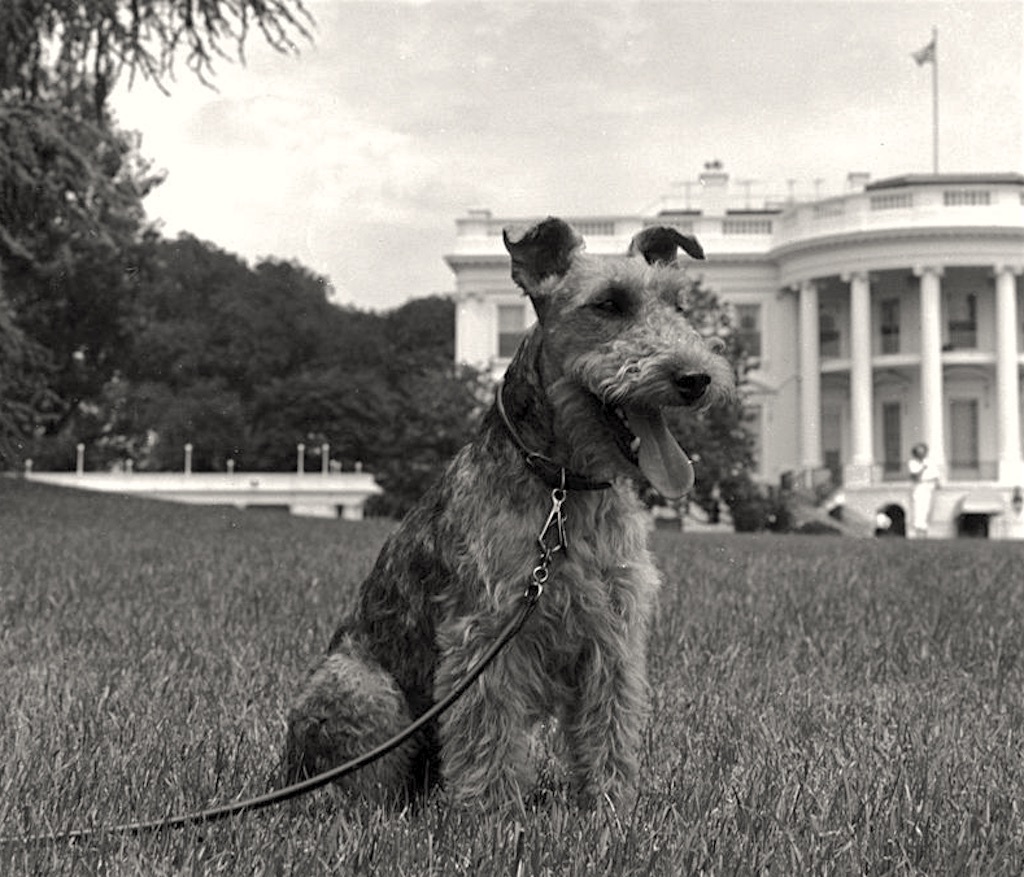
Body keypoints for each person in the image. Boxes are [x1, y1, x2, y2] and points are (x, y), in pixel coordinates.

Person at [908, 442, 939, 538]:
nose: (922, 453)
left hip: (930, 487)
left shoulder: (929, 461)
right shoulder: (912, 463)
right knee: (919, 508)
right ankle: (918, 530)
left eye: (923, 451)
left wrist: (937, 483)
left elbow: (935, 475)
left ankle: (925, 530)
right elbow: (915, 476)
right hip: (919, 486)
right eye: (919, 452)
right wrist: (922, 468)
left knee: (927, 509)